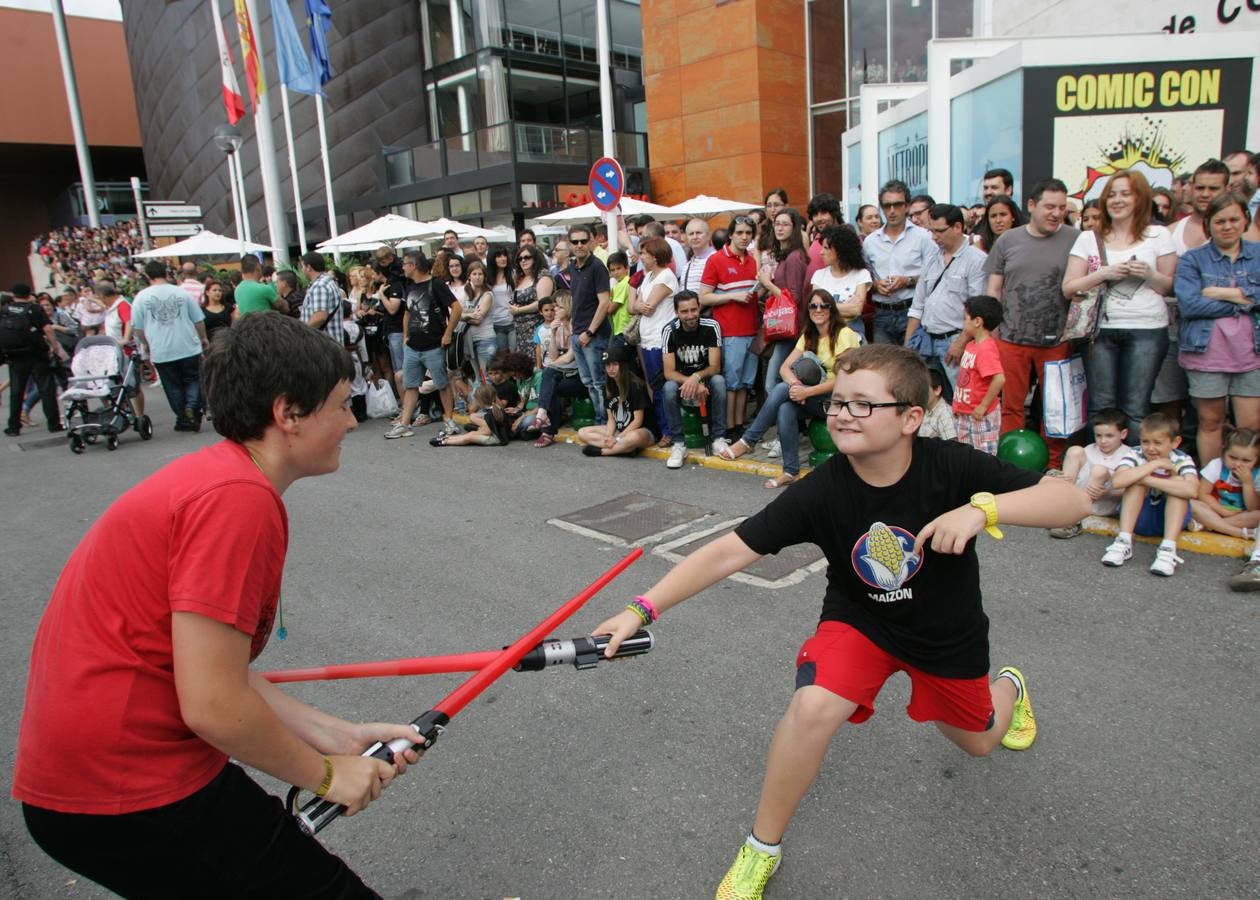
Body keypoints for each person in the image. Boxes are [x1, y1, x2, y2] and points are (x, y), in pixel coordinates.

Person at [594, 343, 1090, 900]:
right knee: (812, 706)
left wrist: (983, 508)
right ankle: (761, 847)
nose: (842, 414)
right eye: (837, 403)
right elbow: (729, 551)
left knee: (978, 742)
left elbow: (1072, 501)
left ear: (910, 418)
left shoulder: (951, 466)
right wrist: (640, 609)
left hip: (944, 635)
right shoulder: (822, 488)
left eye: (862, 404)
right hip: (861, 623)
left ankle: (1010, 687)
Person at [13, 313, 422, 898]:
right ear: (288, 413)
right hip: (123, 784)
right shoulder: (236, 501)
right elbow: (212, 703)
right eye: (340, 405)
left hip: (99, 776)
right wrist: (328, 774)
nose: (352, 421)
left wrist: (337, 734)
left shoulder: (222, 478)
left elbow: (216, 675)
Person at [1061, 170, 1177, 438]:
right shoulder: (1089, 238)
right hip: (1099, 331)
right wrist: (1104, 273)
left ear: (1140, 198)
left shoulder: (1159, 235)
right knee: (1101, 406)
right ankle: (1099, 463)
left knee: (1135, 407)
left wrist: (1148, 273)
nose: (1117, 200)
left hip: (1148, 328)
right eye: (1111, 194)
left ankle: (1132, 463)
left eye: (1125, 193)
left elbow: (1168, 287)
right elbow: (1069, 287)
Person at [720, 289, 863, 488]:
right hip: (814, 398)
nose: (818, 310)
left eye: (824, 305)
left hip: (838, 401)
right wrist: (796, 385)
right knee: (785, 407)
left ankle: (748, 441)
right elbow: (784, 368)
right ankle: (790, 471)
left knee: (781, 389)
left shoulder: (844, 334)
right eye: (813, 306)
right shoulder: (809, 336)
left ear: (832, 309)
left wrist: (806, 392)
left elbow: (846, 378)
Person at [984, 178, 1080, 468]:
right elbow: (994, 289)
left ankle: (1053, 464)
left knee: (1055, 408)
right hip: (1011, 338)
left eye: (1062, 208)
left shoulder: (1076, 239)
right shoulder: (1007, 240)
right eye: (1050, 207)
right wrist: (993, 329)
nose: (1056, 213)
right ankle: (1009, 463)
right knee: (1011, 406)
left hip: (1057, 340)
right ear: (1031, 205)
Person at [1175, 192, 1260, 464]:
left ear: (1245, 220)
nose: (1227, 226)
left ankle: (1243, 481)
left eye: (1234, 219)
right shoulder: (1192, 259)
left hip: (1251, 353)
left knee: (1251, 426)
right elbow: (1189, 305)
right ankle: (1211, 480)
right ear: (1208, 224)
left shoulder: (1258, 254)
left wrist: (1220, 293)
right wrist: (1244, 301)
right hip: (1205, 353)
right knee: (1210, 422)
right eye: (1220, 221)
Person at [1151, 159, 1230, 423]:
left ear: (1227, 189)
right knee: (1166, 402)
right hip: (1171, 327)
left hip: (1218, 332)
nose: (1205, 194)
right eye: (1200, 187)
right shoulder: (1169, 232)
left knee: (1210, 412)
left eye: (1213, 188)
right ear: (1190, 189)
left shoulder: (1238, 234)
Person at [1100, 411, 1198, 576]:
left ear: (1175, 442)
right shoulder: (1136, 453)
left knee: (1178, 484)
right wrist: (1154, 465)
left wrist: (1146, 479)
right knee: (1134, 483)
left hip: (1168, 520)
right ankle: (1123, 541)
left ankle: (1168, 549)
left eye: (1158, 443)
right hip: (1139, 518)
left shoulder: (1182, 459)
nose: (1150, 448)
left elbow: (1192, 490)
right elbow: (1117, 482)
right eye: (1145, 441)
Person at [905, 204, 989, 391]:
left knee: (961, 397)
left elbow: (978, 310)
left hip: (956, 340)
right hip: (926, 341)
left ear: (957, 227)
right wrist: (908, 347)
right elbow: (917, 307)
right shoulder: (931, 258)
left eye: (939, 231)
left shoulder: (976, 260)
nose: (934, 237)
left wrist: (961, 343)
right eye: (931, 231)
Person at [384, 251, 463, 440]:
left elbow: (457, 308)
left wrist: (447, 333)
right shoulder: (410, 286)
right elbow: (407, 313)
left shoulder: (436, 284)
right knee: (411, 385)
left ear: (414, 266)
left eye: (405, 264)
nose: (403, 267)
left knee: (442, 384)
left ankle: (449, 421)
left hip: (434, 344)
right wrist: (405, 336)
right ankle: (404, 424)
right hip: (413, 346)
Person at [700, 215, 760, 441]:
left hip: (751, 329)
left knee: (745, 383)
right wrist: (733, 296)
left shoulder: (753, 260)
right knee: (731, 383)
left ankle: (738, 425)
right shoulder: (716, 260)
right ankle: (727, 427)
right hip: (730, 330)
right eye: (740, 232)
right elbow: (703, 297)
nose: (744, 237)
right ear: (731, 234)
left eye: (748, 233)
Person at [132, 261, 209, 432]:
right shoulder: (181, 292)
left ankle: (183, 417)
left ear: (147, 276)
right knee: (193, 379)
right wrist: (203, 338)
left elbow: (137, 328)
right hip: (187, 345)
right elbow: (198, 319)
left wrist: (146, 343)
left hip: (161, 349)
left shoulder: (141, 297)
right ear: (166, 273)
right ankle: (192, 406)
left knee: (172, 385)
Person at [863, 180, 940, 345]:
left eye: (897, 205)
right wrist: (875, 285)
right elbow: (863, 277)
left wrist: (907, 281)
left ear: (907, 206)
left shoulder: (923, 237)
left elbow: (935, 276)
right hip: (882, 313)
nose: (892, 210)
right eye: (887, 206)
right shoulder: (870, 242)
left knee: (912, 359)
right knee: (882, 361)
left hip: (913, 310)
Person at [661, 290, 729, 467]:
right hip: (681, 380)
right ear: (676, 313)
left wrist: (697, 377)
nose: (690, 315)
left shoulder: (711, 325)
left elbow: (715, 367)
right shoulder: (669, 330)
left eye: (693, 309)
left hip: (705, 377)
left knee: (719, 382)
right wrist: (691, 381)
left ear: (699, 307)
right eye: (684, 311)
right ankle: (679, 443)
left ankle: (718, 438)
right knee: (668, 388)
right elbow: (669, 372)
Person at [1048, 407, 1128, 539]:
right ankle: (1062, 504)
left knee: (1099, 470)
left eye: (1109, 436)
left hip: (1104, 502)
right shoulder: (1090, 449)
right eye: (1098, 436)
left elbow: (1130, 489)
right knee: (1075, 450)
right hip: (1079, 496)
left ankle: (1073, 521)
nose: (1103, 441)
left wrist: (1107, 492)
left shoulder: (1128, 454)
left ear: (1123, 434)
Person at [631, 237, 680, 443]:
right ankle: (663, 428)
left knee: (662, 386)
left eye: (644, 253)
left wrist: (640, 303)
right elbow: (633, 306)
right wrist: (639, 304)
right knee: (654, 385)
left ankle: (670, 430)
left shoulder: (666, 276)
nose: (641, 257)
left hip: (661, 339)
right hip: (647, 338)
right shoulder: (648, 276)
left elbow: (648, 307)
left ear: (655, 255)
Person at [759, 208, 810, 396]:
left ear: (794, 228)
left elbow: (794, 299)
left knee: (772, 383)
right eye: (777, 224)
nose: (780, 228)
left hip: (791, 328)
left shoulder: (795, 256)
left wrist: (767, 283)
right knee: (778, 382)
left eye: (785, 224)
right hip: (786, 327)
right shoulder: (786, 255)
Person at [566, 225, 614, 425]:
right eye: (575, 241)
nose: (579, 245)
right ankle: (599, 419)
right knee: (588, 382)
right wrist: (572, 326)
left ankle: (605, 422)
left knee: (599, 382)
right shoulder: (573, 266)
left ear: (592, 242)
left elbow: (604, 303)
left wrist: (590, 331)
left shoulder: (597, 267)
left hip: (594, 335)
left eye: (583, 241)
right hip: (577, 333)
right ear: (570, 244)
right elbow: (576, 299)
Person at [2, 284, 62, 436]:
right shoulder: (34, 308)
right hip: (36, 354)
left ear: (13, 295)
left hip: (15, 356)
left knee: (16, 391)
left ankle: (14, 427)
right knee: (46, 388)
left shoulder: (5, 310)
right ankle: (53, 424)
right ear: (29, 295)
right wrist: (55, 347)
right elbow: (48, 329)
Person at [576, 343, 655, 457]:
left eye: (614, 364)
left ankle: (603, 451)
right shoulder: (607, 387)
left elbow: (637, 421)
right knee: (582, 432)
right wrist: (609, 436)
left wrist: (618, 438)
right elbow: (611, 420)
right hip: (620, 430)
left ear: (622, 365)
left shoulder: (636, 386)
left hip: (642, 431)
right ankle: (624, 448)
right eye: (607, 365)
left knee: (633, 438)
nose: (611, 369)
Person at [952, 295, 1005, 455]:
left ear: (977, 321)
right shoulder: (971, 345)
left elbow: (999, 378)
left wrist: (983, 406)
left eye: (965, 318)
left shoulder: (986, 348)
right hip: (965, 412)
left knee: (983, 457)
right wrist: (958, 406)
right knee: (964, 455)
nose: (963, 323)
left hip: (980, 414)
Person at [1189, 428, 1260, 539]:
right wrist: (1222, 511)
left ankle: (1209, 525)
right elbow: (1202, 494)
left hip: (1241, 516)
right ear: (1223, 453)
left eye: (1246, 460)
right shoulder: (1216, 465)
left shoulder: (1257, 473)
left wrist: (1248, 484)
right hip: (1214, 510)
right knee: (1191, 503)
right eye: (1232, 457)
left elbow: (1253, 507)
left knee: (1257, 515)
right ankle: (1230, 529)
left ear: (1257, 460)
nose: (1237, 464)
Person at [809, 225, 872, 327]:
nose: (821, 252)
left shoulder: (861, 274)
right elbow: (816, 308)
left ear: (840, 250)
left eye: (826, 248)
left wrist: (826, 306)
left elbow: (856, 310)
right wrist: (847, 307)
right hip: (825, 329)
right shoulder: (819, 275)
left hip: (853, 329)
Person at [429, 383, 512, 447]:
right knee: (472, 433)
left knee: (469, 438)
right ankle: (447, 437)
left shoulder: (489, 414)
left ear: (481, 401)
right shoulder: (498, 409)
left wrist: (475, 433)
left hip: (497, 439)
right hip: (500, 435)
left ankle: (445, 441)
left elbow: (487, 432)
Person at [510, 244, 554, 351]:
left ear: (535, 258)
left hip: (537, 327)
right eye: (520, 258)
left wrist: (519, 310)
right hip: (520, 330)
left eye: (527, 257)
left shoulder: (543, 275)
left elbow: (542, 303)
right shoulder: (520, 277)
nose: (523, 260)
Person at [460, 259, 497, 383]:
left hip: (485, 339)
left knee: (486, 377)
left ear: (484, 276)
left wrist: (464, 316)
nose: (477, 277)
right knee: (477, 378)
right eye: (474, 274)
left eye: (480, 274)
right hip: (469, 341)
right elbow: (456, 314)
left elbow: (478, 320)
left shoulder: (487, 295)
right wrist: (470, 315)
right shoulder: (466, 294)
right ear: (469, 276)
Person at [299, 253, 344, 343]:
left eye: (302, 266)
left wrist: (301, 333)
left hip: (323, 345)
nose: (302, 270)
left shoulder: (320, 286)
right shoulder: (327, 282)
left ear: (308, 267)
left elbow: (320, 317)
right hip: (329, 343)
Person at [487, 246, 516, 352]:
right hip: (496, 322)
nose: (503, 258)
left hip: (513, 321)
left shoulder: (513, 274)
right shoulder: (487, 278)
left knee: (514, 353)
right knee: (502, 356)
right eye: (499, 256)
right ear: (492, 258)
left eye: (504, 255)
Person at [918, 367, 956, 440]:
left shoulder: (945, 415)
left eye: (924, 390)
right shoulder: (924, 408)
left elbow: (952, 444)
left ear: (937, 390)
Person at [681, 218, 715, 295]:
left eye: (698, 233)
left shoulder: (717, 259)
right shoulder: (687, 266)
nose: (695, 237)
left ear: (708, 235)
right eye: (691, 234)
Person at [606, 252, 632, 337]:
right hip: (622, 327)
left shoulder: (623, 284)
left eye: (619, 268)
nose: (616, 272)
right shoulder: (620, 284)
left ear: (626, 268)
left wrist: (608, 296)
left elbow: (610, 309)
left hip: (623, 328)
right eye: (612, 270)